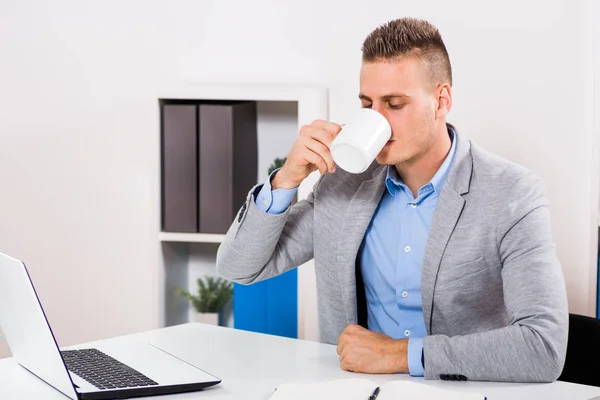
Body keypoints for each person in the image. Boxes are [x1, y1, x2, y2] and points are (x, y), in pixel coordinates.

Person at [216, 17, 568, 382]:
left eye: (394, 104)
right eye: (367, 104)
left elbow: (543, 348)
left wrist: (399, 354)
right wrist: (286, 179)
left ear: (441, 100)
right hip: (356, 391)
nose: (376, 120)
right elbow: (240, 268)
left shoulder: (511, 193)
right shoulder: (343, 184)